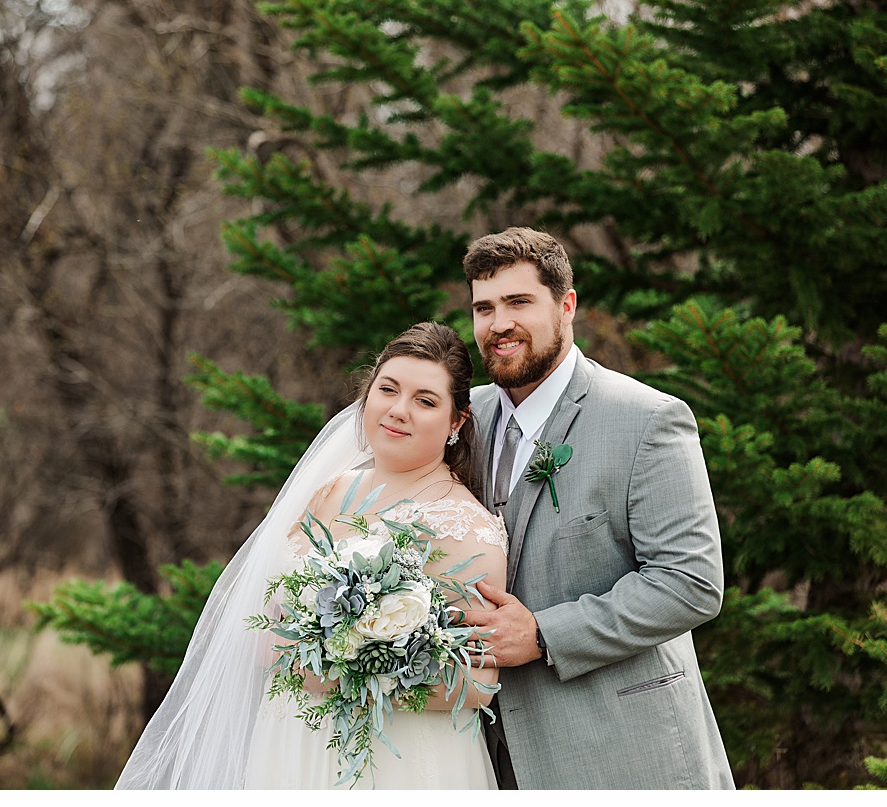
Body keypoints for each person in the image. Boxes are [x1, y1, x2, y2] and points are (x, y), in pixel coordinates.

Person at [117, 322, 506, 789]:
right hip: (289, 741)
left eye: (425, 401)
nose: (398, 411)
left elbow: (478, 681)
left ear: (456, 422)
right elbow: (267, 611)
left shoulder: (463, 525)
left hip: (395, 761)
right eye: (388, 389)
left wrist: (347, 672)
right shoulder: (329, 490)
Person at [457, 227, 734, 789]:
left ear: (566, 305)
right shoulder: (463, 419)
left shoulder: (647, 420)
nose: (498, 323)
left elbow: (691, 582)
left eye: (518, 302)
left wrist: (543, 634)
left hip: (622, 754)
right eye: (484, 307)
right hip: (484, 758)